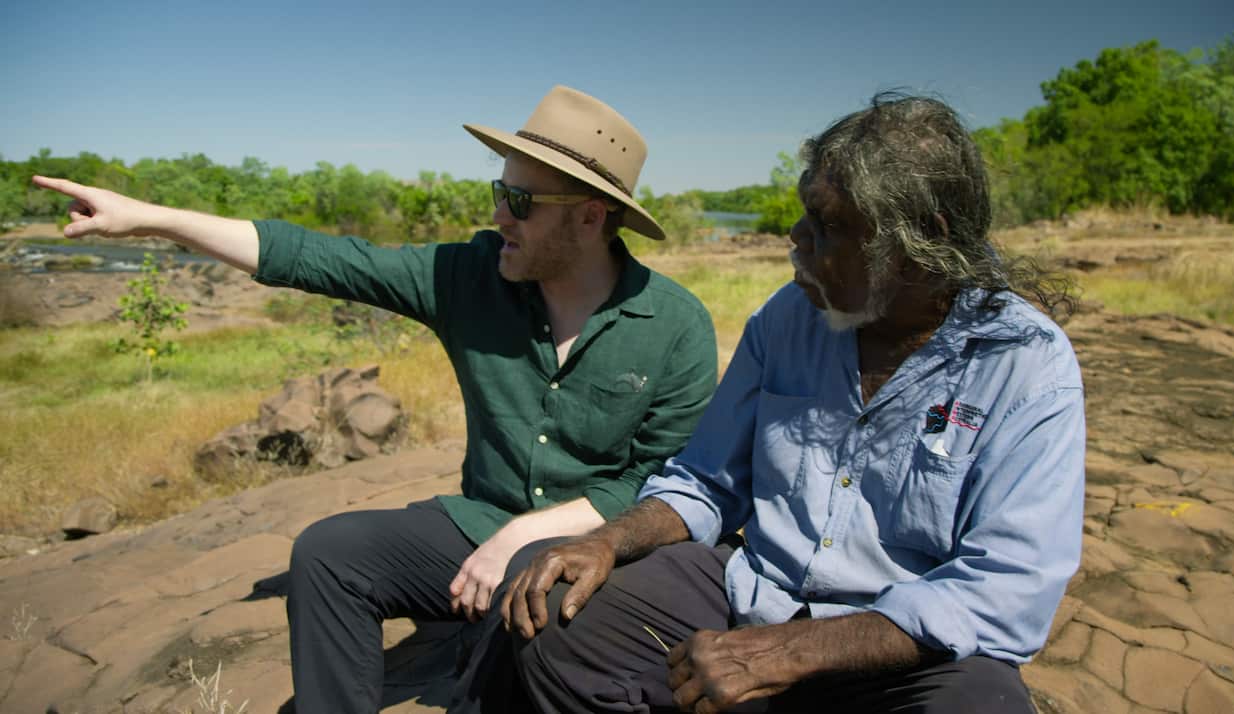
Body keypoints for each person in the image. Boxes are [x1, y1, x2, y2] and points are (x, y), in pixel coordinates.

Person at [33, 85, 719, 714]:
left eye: (520, 201)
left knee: (529, 598)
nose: (496, 214)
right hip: (473, 522)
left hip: (585, 546)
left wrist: (523, 534)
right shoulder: (466, 277)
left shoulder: (675, 325)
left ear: (592, 217)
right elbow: (316, 257)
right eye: (498, 191)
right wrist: (148, 219)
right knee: (329, 553)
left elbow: (664, 486)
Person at [492, 93, 1085, 713]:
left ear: (918, 247)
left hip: (900, 649)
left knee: (982, 704)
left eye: (827, 226)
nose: (795, 238)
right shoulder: (787, 317)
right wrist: (609, 540)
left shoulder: (1024, 364)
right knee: (559, 606)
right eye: (805, 215)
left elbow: (1008, 589)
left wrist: (791, 652)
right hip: (757, 595)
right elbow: (704, 481)